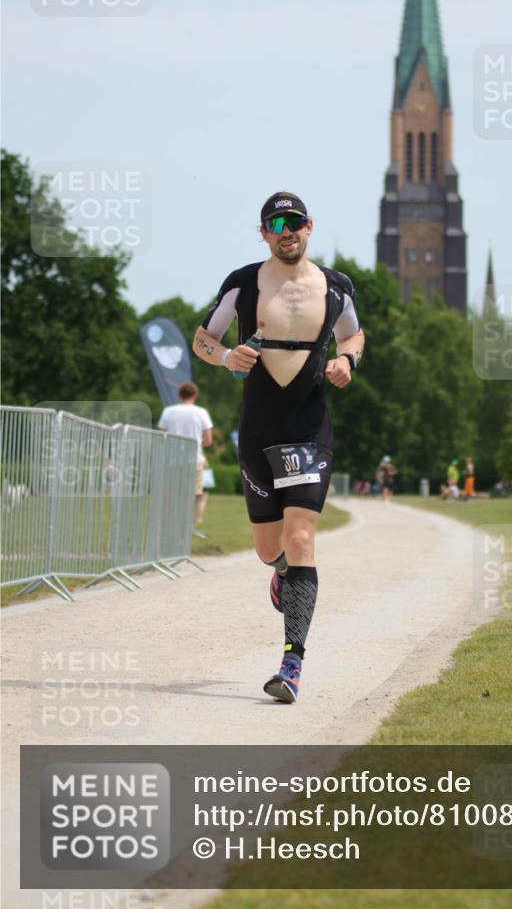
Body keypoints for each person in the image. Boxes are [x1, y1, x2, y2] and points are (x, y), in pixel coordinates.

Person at [192, 191, 364, 704]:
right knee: (270, 549)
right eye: (276, 223)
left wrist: (347, 362)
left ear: (309, 227)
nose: (286, 230)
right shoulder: (244, 282)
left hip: (308, 429)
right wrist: (226, 358)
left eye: (295, 221)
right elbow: (204, 339)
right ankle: (282, 576)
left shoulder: (336, 286)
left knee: (302, 537)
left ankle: (291, 665)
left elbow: (353, 338)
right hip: (259, 427)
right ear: (263, 233)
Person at [158, 382, 214, 526]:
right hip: (194, 459)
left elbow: (162, 436)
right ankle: (187, 525)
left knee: (171, 494)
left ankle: (170, 522)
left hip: (172, 460)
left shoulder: (168, 411)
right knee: (194, 495)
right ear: (195, 395)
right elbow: (208, 440)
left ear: (179, 395)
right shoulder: (201, 412)